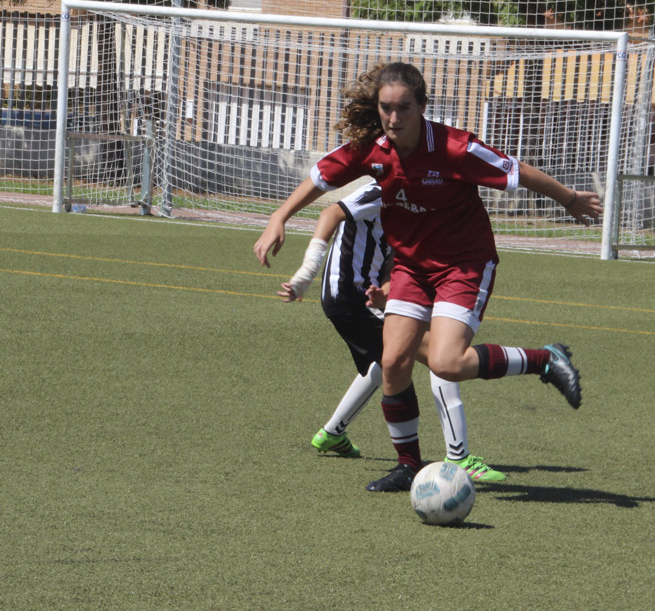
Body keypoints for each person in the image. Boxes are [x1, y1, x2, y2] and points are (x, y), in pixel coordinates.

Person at [255, 62, 602, 492]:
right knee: (395, 361)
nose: (393, 118)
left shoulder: (455, 148)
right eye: (386, 108)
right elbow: (320, 178)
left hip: (464, 264)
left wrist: (569, 199)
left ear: (422, 106)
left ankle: (545, 359)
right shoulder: (373, 149)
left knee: (446, 362)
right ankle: (409, 466)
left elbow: (517, 172)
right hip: (411, 269)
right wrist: (279, 217)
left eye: (403, 108)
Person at [279, 179, 505, 483]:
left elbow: (394, 262)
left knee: (391, 358)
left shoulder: (412, 203)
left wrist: (390, 292)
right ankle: (459, 456)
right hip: (353, 297)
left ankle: (332, 433)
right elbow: (330, 213)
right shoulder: (383, 188)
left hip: (360, 297)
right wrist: (304, 276)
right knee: (439, 352)